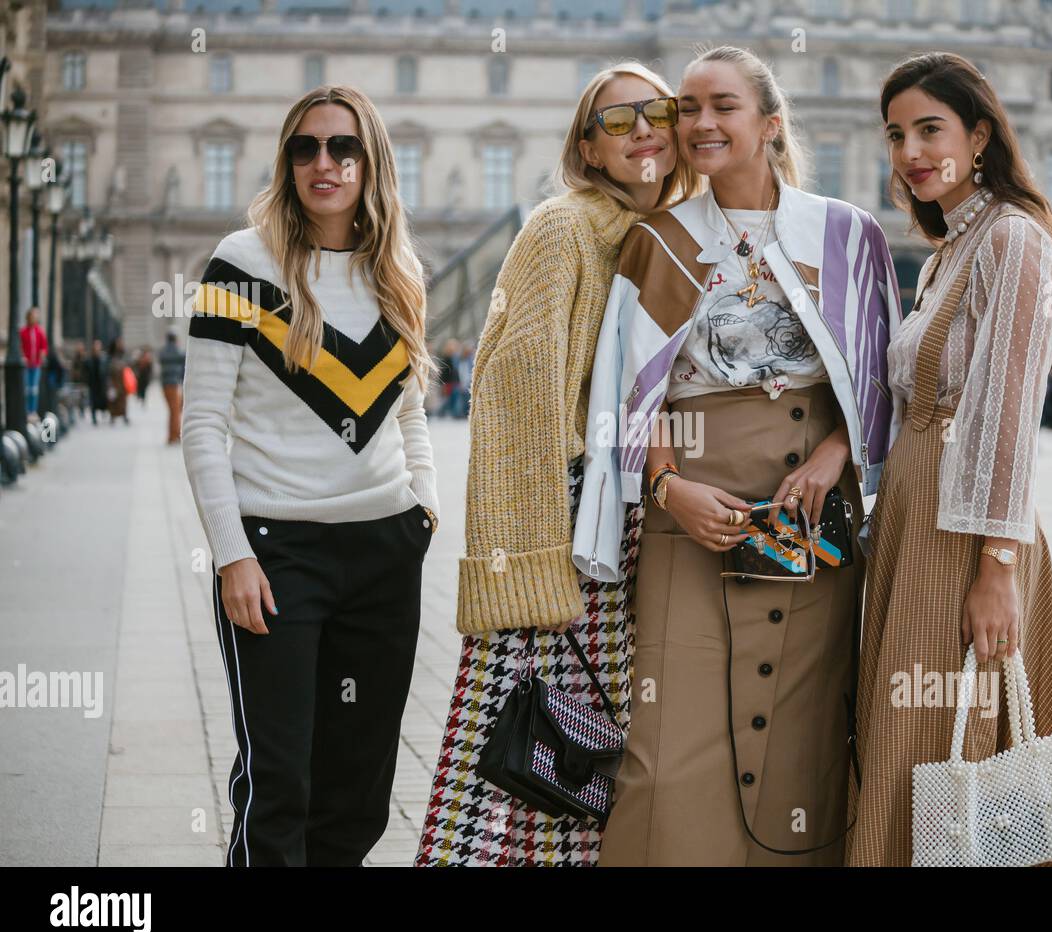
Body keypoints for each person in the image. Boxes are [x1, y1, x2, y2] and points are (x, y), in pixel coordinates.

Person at [579, 45, 901, 866]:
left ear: (770, 122)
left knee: (803, 731)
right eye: (687, 109)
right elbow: (626, 391)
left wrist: (836, 453)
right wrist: (666, 487)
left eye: (722, 106)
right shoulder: (657, 240)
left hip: (809, 517)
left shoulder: (847, 234)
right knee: (668, 738)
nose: (699, 123)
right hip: (693, 518)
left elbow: (881, 380)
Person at [415, 62, 698, 867]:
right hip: (562, 533)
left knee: (585, 768)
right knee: (520, 768)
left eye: (657, 110)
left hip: (632, 529)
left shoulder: (671, 237)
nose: (643, 128)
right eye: (617, 121)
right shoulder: (561, 230)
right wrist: (531, 565)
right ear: (590, 149)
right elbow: (512, 400)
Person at [182, 84, 439, 866]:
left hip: (383, 554)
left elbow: (409, 409)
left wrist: (421, 510)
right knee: (279, 781)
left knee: (358, 789)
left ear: (371, 163)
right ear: (288, 161)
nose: (323, 163)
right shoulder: (240, 262)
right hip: (276, 554)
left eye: (343, 147)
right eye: (305, 147)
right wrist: (232, 554)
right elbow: (202, 424)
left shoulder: (398, 271)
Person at [845, 52, 1052, 866]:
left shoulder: (1013, 240)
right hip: (920, 524)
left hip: (970, 532)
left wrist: (998, 566)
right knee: (915, 729)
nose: (910, 150)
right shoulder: (952, 249)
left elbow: (1010, 414)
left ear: (980, 135)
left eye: (930, 129)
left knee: (955, 734)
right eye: (896, 134)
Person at [159, 332, 186, 444]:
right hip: (174, 384)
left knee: (172, 410)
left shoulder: (163, 351)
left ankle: (172, 435)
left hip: (165, 383)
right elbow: (184, 357)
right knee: (175, 411)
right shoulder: (177, 351)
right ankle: (175, 436)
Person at [19, 307, 46, 417]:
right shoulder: (23, 332)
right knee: (27, 388)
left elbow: (43, 346)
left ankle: (32, 411)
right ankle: (26, 410)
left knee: (34, 389)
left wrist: (42, 355)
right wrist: (23, 356)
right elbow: (20, 346)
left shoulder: (39, 331)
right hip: (26, 365)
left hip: (36, 365)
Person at [106, 337, 130, 425]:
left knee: (123, 400)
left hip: (122, 380)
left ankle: (124, 415)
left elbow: (127, 365)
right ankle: (112, 416)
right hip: (114, 380)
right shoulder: (111, 356)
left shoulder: (123, 354)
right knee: (113, 400)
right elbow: (109, 368)